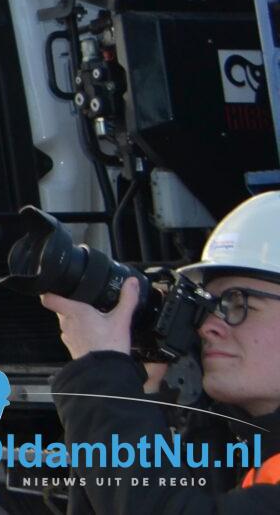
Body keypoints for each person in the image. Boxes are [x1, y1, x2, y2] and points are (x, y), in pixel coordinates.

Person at [44, 191, 280, 510]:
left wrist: (101, 379)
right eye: (209, 307)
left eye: (239, 303)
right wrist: (136, 394)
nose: (207, 327)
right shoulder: (242, 455)